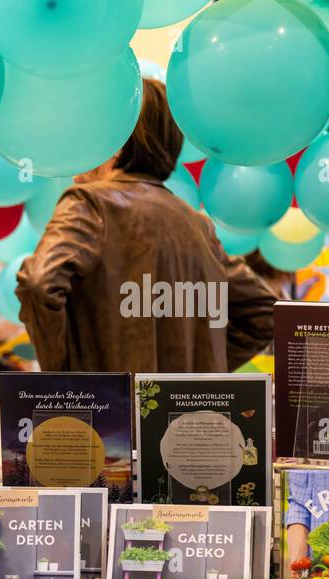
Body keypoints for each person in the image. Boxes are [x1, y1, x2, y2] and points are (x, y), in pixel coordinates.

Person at [17, 79, 277, 373]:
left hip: (106, 415)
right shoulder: (197, 225)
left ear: (116, 145)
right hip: (187, 417)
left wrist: (67, 379)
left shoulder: (90, 205)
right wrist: (200, 369)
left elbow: (38, 283)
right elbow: (266, 313)